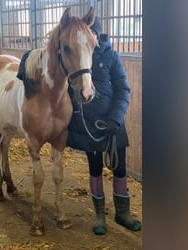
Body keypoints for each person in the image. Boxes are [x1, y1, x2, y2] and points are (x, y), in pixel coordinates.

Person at [66, 16, 142, 235]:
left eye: (94, 34)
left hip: (112, 124)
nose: (93, 38)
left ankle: (122, 213)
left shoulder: (111, 56)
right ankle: (100, 215)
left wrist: (115, 118)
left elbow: (123, 90)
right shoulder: (74, 57)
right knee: (95, 168)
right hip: (88, 125)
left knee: (120, 169)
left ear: (97, 35)